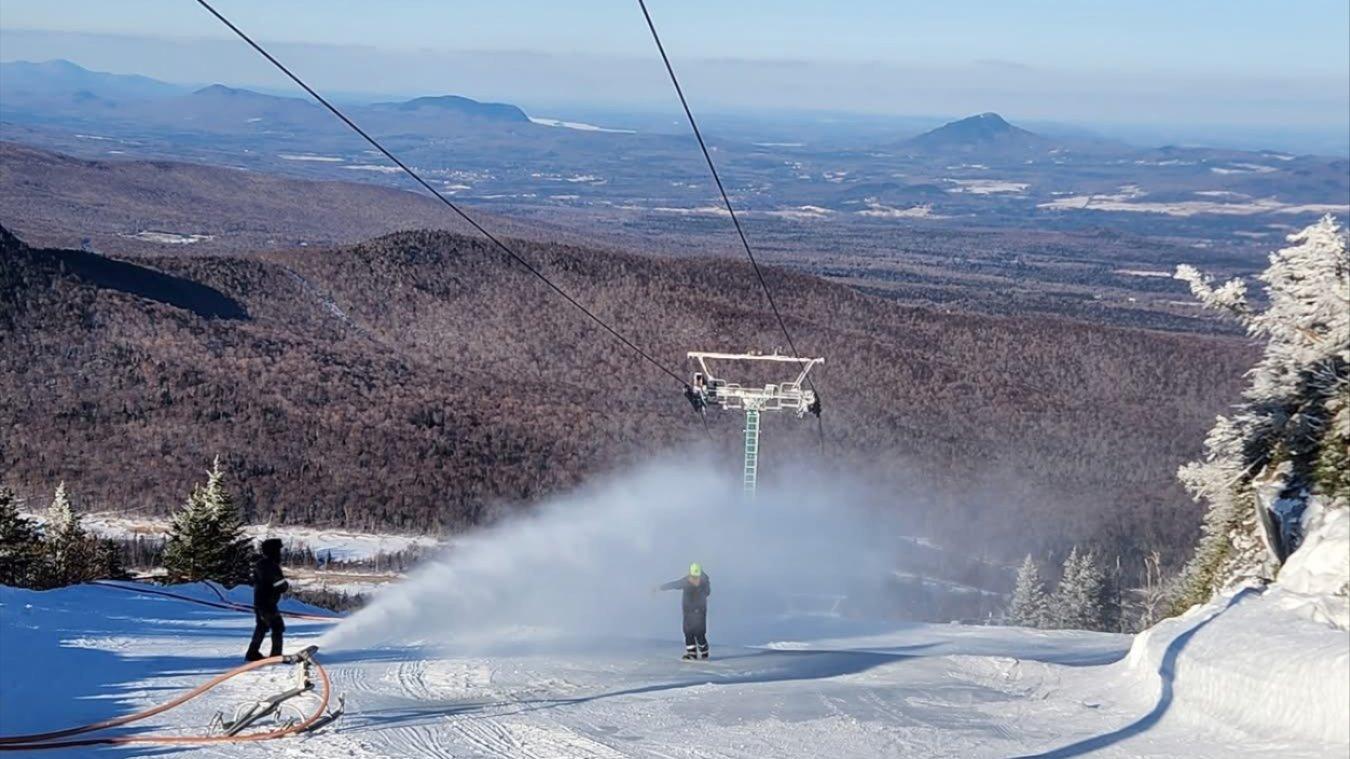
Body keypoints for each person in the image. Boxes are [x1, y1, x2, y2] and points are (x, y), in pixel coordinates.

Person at [244, 537, 289, 661]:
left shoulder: (262, 564)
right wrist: (284, 586)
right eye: (278, 551)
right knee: (277, 627)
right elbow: (281, 585)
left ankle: (252, 653)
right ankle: (276, 655)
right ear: (273, 551)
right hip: (267, 603)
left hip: (261, 602)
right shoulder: (270, 566)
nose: (280, 554)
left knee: (262, 626)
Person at [655, 562, 712, 660]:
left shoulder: (704, 582)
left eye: (696, 576)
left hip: (699, 611)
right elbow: (674, 584)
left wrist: (700, 586)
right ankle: (692, 654)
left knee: (699, 632)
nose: (694, 578)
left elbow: (707, 592)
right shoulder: (686, 581)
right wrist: (660, 587)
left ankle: (704, 652)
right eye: (693, 576)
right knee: (688, 632)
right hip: (688, 611)